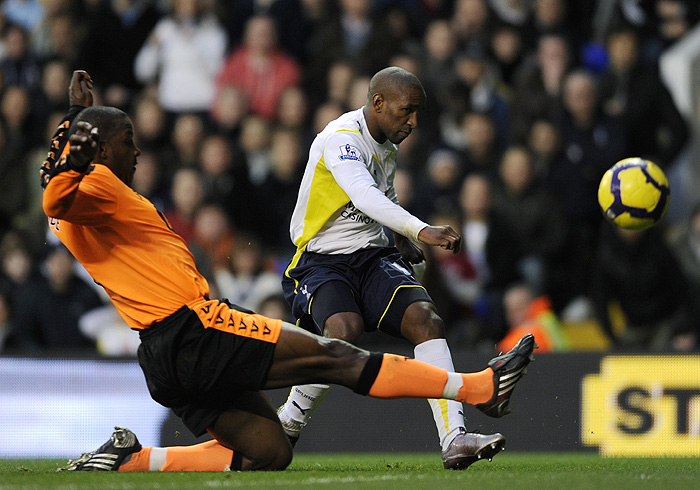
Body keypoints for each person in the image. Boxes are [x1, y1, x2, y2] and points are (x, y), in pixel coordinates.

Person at [44, 70, 535, 472]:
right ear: (100, 154)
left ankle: (131, 460)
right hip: (197, 325)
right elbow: (54, 188)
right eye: (128, 142)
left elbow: (53, 185)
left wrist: (72, 122)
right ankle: (479, 388)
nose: (138, 151)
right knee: (335, 353)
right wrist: (79, 147)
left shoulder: (73, 209)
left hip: (160, 356)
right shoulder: (99, 187)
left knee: (270, 451)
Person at [276, 66, 516, 471]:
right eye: (407, 111)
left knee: (425, 320)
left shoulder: (386, 142)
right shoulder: (340, 140)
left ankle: (454, 439)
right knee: (344, 332)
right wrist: (421, 230)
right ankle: (290, 421)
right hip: (320, 261)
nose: (414, 121)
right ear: (378, 103)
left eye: (419, 112)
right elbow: (365, 195)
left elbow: (384, 194)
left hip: (372, 257)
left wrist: (401, 240)